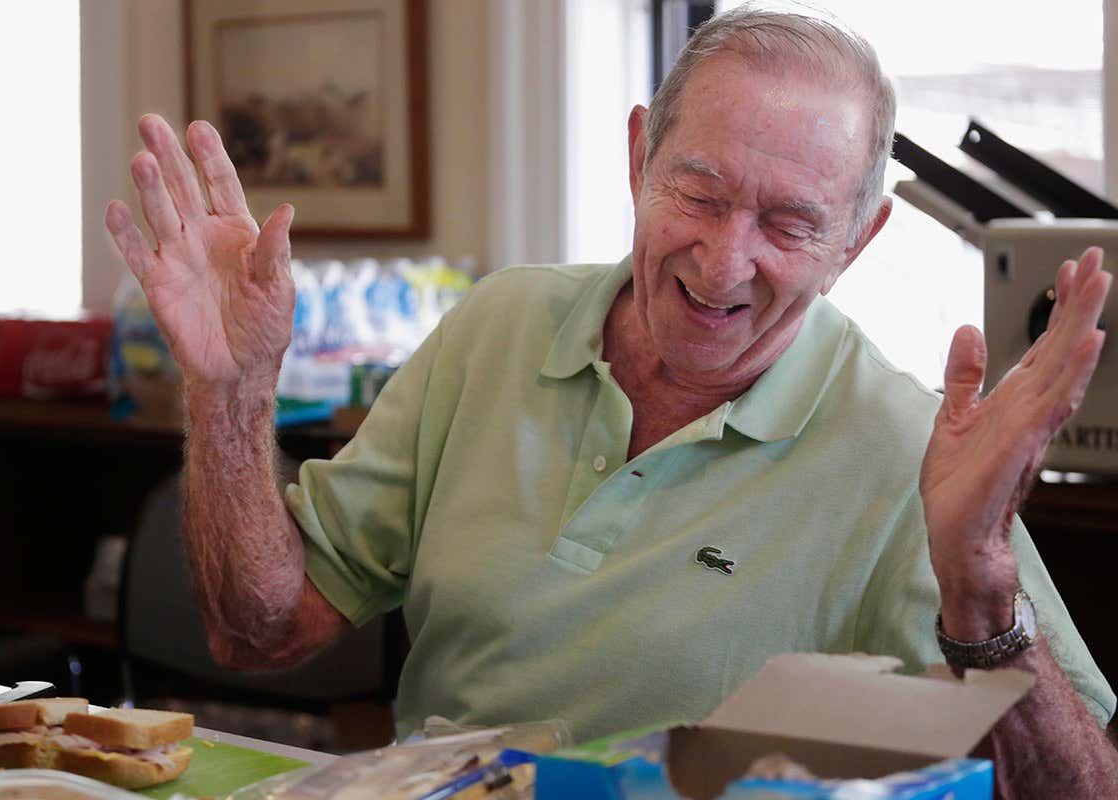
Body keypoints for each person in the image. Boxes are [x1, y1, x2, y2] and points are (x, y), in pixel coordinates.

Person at [105, 7, 1117, 796]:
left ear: (856, 240)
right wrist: (231, 392)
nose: (724, 261)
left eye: (788, 224)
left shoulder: (906, 445)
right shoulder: (498, 326)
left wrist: (982, 587)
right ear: (639, 158)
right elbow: (260, 631)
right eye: (700, 193)